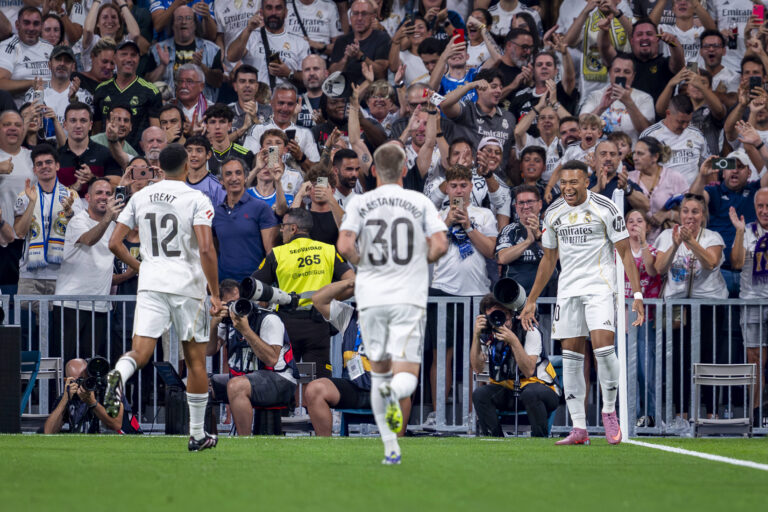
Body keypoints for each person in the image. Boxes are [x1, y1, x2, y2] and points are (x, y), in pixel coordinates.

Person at [105, 143, 222, 451]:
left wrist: (142, 266)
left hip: (152, 282)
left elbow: (115, 243)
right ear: (187, 167)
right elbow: (207, 249)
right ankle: (197, 433)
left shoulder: (140, 197)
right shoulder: (196, 198)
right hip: (187, 285)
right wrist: (215, 292)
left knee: (140, 352)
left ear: (161, 167)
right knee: (196, 362)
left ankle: (118, 373)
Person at [520, 160, 645, 445]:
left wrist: (636, 295)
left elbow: (625, 253)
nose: (568, 187)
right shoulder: (553, 213)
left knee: (603, 350)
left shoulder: (605, 208)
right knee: (571, 359)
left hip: (600, 287)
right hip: (568, 290)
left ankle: (609, 410)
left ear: (586, 182)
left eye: (574, 182)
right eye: (564, 182)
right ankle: (579, 428)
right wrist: (531, 299)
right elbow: (549, 259)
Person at [337, 143, 448, 464]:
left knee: (381, 371)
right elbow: (440, 244)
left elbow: (344, 244)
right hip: (408, 297)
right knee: (406, 376)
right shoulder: (419, 200)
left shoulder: (360, 201)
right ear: (403, 169)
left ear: (373, 170)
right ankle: (393, 397)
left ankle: (390, 449)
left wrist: (366, 263)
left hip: (371, 297)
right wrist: (417, 260)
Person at [427, 164, 498, 427]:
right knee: (440, 354)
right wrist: (446, 223)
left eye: (463, 185)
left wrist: (468, 226)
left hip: (478, 293)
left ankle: (473, 413)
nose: (458, 189)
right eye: (453, 185)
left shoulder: (485, 214)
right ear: (447, 188)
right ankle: (438, 415)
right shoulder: (435, 216)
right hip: (443, 290)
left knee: (475, 354)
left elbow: (492, 251)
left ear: (471, 187)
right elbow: (427, 250)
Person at [251, 207, 356, 380]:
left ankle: (291, 406)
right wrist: (328, 301)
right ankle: (310, 407)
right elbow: (351, 283)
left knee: (285, 379)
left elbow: (253, 287)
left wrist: (264, 303)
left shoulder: (278, 253)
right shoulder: (327, 250)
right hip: (318, 325)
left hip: (286, 325)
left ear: (293, 228)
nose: (281, 230)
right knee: (316, 383)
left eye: (283, 226)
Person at [654, 193, 727, 424]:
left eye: (695, 212)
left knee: (709, 359)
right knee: (677, 361)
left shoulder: (712, 236)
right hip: (677, 306)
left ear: (703, 215)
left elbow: (711, 262)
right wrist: (676, 245)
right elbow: (659, 268)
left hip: (709, 305)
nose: (690, 216)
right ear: (680, 213)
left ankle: (712, 415)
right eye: (686, 211)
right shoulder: (667, 235)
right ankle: (680, 416)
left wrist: (691, 242)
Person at [471, 291, 560, 437]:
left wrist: (513, 341)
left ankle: (540, 439)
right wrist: (476, 336)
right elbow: (478, 368)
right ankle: (494, 440)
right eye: (492, 316)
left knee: (530, 393)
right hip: (509, 391)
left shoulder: (528, 330)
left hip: (542, 389)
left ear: (510, 313)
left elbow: (528, 370)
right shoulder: (488, 334)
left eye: (501, 315)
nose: (498, 321)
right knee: (480, 394)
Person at [53, 178, 122, 362]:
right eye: (99, 193)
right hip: (70, 304)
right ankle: (60, 393)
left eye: (108, 194)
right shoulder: (78, 220)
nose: (104, 197)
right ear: (88, 197)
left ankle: (88, 393)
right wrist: (108, 217)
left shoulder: (115, 226)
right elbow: (89, 240)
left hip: (99, 305)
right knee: (65, 362)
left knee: (92, 366)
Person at [219, 284, 300, 436]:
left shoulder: (269, 319)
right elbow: (211, 349)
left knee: (236, 386)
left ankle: (244, 443)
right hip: (248, 376)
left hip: (280, 379)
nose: (236, 307)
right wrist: (214, 321)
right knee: (203, 384)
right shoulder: (229, 320)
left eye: (240, 301)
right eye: (231, 304)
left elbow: (271, 359)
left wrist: (245, 330)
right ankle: (204, 438)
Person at [689, 147, 768, 295]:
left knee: (749, 316)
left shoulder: (756, 190)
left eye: (740, 167)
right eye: (730, 166)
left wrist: (757, 145)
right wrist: (701, 176)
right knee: (719, 316)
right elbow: (692, 202)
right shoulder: (713, 191)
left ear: (749, 173)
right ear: (723, 172)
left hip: (750, 271)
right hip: (719, 271)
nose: (735, 171)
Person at [13, 144, 80, 312]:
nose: (44, 167)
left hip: (62, 274)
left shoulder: (72, 196)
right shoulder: (24, 197)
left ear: (57, 165)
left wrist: (70, 212)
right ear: (34, 169)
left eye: (48, 162)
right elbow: (19, 232)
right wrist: (33, 203)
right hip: (29, 275)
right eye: (39, 164)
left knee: (58, 330)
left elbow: (80, 234)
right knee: (28, 332)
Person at [730, 189, 768, 426]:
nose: (764, 211)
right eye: (760, 206)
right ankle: (756, 413)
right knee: (754, 359)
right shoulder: (747, 232)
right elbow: (735, 263)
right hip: (752, 301)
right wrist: (740, 231)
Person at [440, 69, 518, 175]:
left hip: (498, 184)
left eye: (500, 87)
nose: (499, 91)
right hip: (468, 180)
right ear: (479, 89)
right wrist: (469, 86)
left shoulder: (509, 118)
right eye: (494, 86)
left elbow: (511, 156)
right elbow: (443, 103)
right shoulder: (467, 109)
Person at [624, 209, 662, 427]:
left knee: (646, 372)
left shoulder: (653, 250)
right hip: (624, 321)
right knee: (627, 372)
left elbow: (651, 269)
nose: (635, 224)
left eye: (640, 221)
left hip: (646, 320)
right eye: (631, 221)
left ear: (647, 226)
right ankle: (632, 416)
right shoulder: (617, 251)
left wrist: (644, 242)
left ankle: (651, 416)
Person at [213, 157, 278, 281]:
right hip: (224, 286)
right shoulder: (216, 213)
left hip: (254, 286)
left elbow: (270, 253)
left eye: (238, 173)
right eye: (228, 174)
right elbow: (215, 252)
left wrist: (264, 289)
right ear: (221, 180)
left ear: (245, 177)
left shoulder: (261, 208)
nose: (234, 178)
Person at [226, 0, 311, 90]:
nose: (273, 13)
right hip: (255, 101)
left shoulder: (300, 42)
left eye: (278, 8)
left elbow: (308, 79)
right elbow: (231, 57)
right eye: (269, 8)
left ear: (286, 12)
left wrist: (288, 73)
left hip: (286, 101)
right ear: (261, 12)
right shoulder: (250, 36)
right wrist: (248, 29)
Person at [93, 40, 162, 149]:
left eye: (133, 55)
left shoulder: (150, 91)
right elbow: (95, 132)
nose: (129, 59)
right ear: (115, 58)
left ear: (139, 59)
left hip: (137, 158)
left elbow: (156, 132)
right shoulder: (101, 89)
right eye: (124, 54)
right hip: (105, 155)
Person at [43, 358, 142, 434]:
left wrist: (93, 403)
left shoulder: (107, 389)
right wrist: (65, 399)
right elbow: (48, 431)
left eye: (84, 379)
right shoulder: (69, 395)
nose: (81, 384)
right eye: (76, 381)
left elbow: (116, 424)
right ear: (67, 380)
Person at [146, 6, 223, 101]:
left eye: (188, 18)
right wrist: (162, 65)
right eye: (179, 18)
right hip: (168, 109)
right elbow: (148, 84)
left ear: (195, 24)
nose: (184, 22)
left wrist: (201, 66)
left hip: (202, 109)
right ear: (172, 25)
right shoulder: (157, 50)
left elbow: (218, 82)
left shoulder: (212, 50)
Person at [243, 84, 320, 174]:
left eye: (290, 104)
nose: (285, 108)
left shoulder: (305, 133)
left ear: (296, 105)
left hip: (298, 186)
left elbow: (319, 174)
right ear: (271, 103)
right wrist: (273, 154)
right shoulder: (257, 130)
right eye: (281, 103)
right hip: (266, 185)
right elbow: (246, 165)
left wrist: (301, 157)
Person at [496, 184, 557, 296]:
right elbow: (503, 258)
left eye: (529, 201)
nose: (525, 206)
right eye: (521, 203)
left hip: (548, 297)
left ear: (540, 204)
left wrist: (539, 237)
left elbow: (559, 256)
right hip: (516, 298)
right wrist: (528, 241)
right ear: (516, 207)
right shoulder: (509, 230)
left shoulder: (552, 228)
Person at [581, 53, 655, 142]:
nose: (621, 75)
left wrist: (629, 102)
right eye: (617, 70)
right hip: (599, 152)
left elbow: (647, 132)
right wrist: (601, 108)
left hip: (631, 153)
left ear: (633, 76)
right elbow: (581, 125)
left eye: (627, 72)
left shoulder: (644, 98)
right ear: (609, 73)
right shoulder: (596, 96)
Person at [628, 136, 688, 242]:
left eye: (640, 153)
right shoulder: (628, 178)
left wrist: (668, 214)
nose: (635, 158)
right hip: (634, 243)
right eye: (634, 153)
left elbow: (689, 215)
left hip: (668, 243)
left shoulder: (674, 178)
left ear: (655, 157)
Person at [639, 94, 708, 186]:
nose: (684, 126)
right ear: (668, 113)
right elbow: (639, 170)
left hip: (691, 196)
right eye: (680, 121)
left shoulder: (696, 134)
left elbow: (708, 166)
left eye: (688, 122)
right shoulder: (650, 135)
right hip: (661, 194)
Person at [57, 102, 122, 196]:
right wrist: (72, 189)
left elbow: (118, 185)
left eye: (83, 120)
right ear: (65, 125)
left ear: (90, 125)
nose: (78, 125)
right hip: (63, 209)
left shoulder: (105, 153)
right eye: (73, 120)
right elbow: (48, 192)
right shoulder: (56, 157)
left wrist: (93, 179)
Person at [328, 0, 391, 83]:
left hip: (372, 91)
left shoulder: (382, 38)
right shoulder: (341, 41)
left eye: (364, 14)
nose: (359, 18)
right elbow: (332, 76)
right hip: (345, 92)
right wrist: (345, 58)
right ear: (350, 17)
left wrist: (361, 56)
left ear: (373, 17)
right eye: (355, 13)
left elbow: (381, 74)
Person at [0, 7, 53, 106]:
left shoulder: (49, 48)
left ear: (41, 26)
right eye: (26, 23)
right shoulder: (8, 47)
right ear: (17, 25)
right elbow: (1, 84)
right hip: (21, 111)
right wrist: (32, 83)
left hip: (51, 108)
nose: (31, 28)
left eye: (36, 24)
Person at [292, 165, 346, 245]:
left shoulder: (338, 213)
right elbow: (289, 229)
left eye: (323, 186)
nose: (319, 189)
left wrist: (330, 197)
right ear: (309, 189)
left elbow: (346, 232)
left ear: (333, 190)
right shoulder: (303, 216)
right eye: (315, 185)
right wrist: (300, 194)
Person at [203, 103, 255, 176]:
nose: (217, 126)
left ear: (229, 126)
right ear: (207, 127)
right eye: (213, 122)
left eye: (222, 122)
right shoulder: (202, 156)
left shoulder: (245, 154)